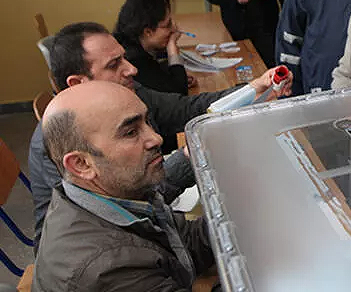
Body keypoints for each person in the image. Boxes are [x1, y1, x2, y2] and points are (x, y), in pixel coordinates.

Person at [28, 22, 292, 248]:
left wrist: (250, 90)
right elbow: (130, 205)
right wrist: (188, 157)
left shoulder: (125, 93)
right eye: (114, 64)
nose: (131, 69)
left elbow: (183, 107)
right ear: (78, 83)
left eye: (124, 57)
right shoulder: (56, 144)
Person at [33, 81, 215, 290]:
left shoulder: (115, 196)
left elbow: (185, 244)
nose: (156, 138)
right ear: (82, 164)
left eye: (147, 122)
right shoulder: (108, 267)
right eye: (130, 132)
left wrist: (249, 213)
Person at [114, 0, 189, 94]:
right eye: (168, 25)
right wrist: (172, 50)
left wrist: (176, 77)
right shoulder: (135, 60)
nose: (174, 29)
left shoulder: (128, 43)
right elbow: (179, 93)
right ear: (148, 32)